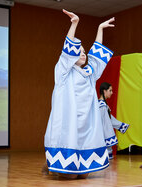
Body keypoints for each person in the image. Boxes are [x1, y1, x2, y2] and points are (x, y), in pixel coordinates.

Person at [44, 9, 115, 179]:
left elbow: (97, 57)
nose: (83, 53)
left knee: (83, 176)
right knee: (71, 176)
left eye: (84, 52)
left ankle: (55, 167)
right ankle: (52, 166)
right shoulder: (62, 73)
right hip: (69, 126)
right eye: (79, 51)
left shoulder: (89, 74)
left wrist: (100, 29)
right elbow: (67, 51)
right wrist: (74, 23)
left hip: (86, 126)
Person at [98, 82, 130, 159]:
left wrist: (122, 126)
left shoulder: (102, 105)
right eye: (110, 90)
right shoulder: (101, 106)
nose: (112, 93)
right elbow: (106, 123)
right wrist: (109, 137)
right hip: (102, 139)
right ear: (104, 91)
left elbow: (109, 119)